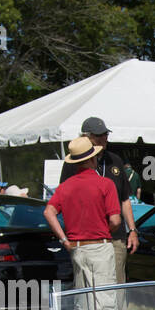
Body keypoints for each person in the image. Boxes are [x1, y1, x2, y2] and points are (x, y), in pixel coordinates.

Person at [44, 136, 122, 310]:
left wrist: (64, 240)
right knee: (101, 306)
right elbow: (116, 220)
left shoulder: (65, 187)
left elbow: (49, 212)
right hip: (100, 246)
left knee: (80, 304)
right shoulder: (105, 184)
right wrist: (103, 230)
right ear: (93, 159)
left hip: (77, 247)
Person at [59, 118, 139, 289]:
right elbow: (62, 202)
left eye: (106, 134)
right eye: (99, 135)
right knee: (86, 291)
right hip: (86, 239)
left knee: (115, 288)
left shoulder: (115, 161)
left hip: (115, 237)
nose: (104, 138)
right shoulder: (72, 164)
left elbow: (125, 198)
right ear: (86, 137)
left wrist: (132, 230)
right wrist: (66, 238)